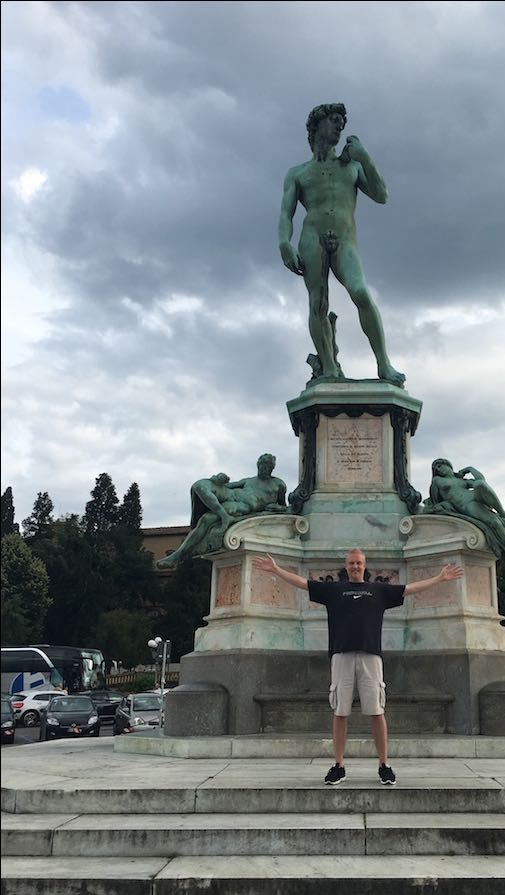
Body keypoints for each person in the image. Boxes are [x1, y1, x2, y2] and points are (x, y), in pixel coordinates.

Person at [252, 548, 463, 785]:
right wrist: (276, 569)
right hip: (341, 655)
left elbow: (410, 589)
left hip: (371, 656)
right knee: (340, 711)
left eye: (359, 563)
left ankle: (384, 764)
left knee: (377, 711)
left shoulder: (379, 590)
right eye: (352, 563)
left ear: (365, 565)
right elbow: (303, 583)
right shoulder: (334, 590)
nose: (355, 566)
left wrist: (440, 578)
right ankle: (339, 765)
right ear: (346, 565)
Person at [278, 103, 405, 387]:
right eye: (334, 120)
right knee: (318, 304)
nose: (340, 126)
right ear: (317, 125)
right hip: (312, 238)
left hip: (345, 238)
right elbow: (286, 213)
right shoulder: (298, 173)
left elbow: (382, 195)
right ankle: (329, 370)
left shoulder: (352, 167)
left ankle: (384, 364)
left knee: (360, 292)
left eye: (342, 122)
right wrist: (284, 242)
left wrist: (365, 156)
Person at [157, 454, 287, 569]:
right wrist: (217, 479)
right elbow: (228, 486)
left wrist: (278, 508)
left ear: (271, 468)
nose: (262, 469)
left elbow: (284, 507)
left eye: (265, 467)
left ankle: (176, 556)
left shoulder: (278, 484)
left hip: (240, 506)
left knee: (206, 520)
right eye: (260, 466)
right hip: (230, 495)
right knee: (199, 485)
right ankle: (221, 518)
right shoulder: (249, 480)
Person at [424, 460, 505, 570]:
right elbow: (435, 500)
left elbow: (481, 480)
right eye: (436, 468)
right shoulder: (437, 480)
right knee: (495, 523)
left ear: (448, 465)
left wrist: (470, 468)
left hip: (476, 498)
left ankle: (503, 513)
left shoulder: (462, 481)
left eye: (440, 465)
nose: (438, 469)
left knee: (480, 484)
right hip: (467, 505)